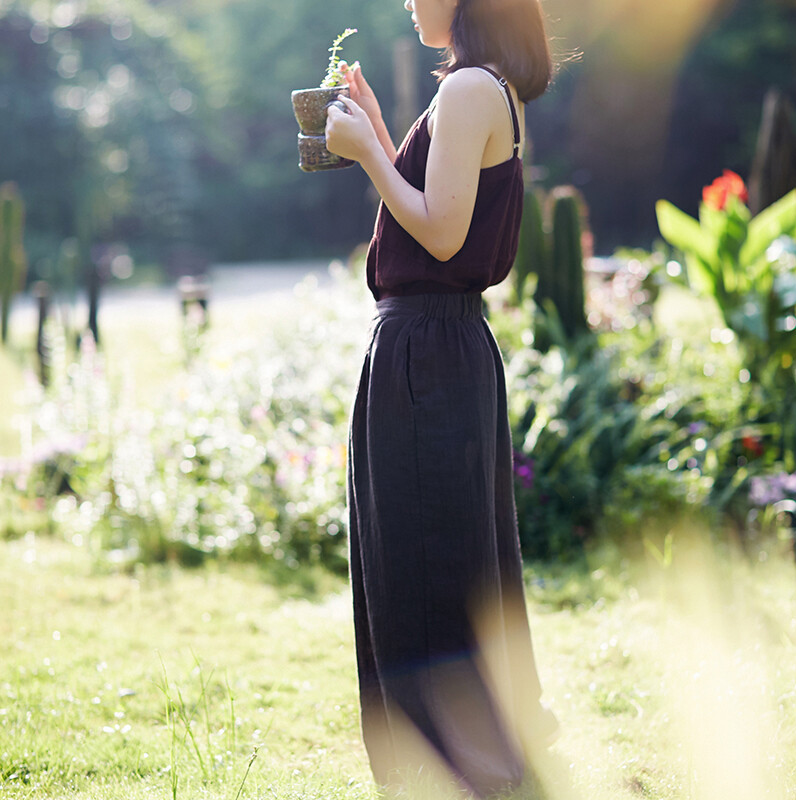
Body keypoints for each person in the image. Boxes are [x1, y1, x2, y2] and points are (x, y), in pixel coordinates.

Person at [326, 0, 559, 795]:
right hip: (443, 343)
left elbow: (442, 235)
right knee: (444, 555)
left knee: (422, 562)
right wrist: (386, 136)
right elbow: (435, 211)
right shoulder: (481, 88)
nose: (407, 0)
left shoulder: (467, 91)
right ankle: (470, 753)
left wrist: (365, 154)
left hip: (427, 344)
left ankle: (449, 764)